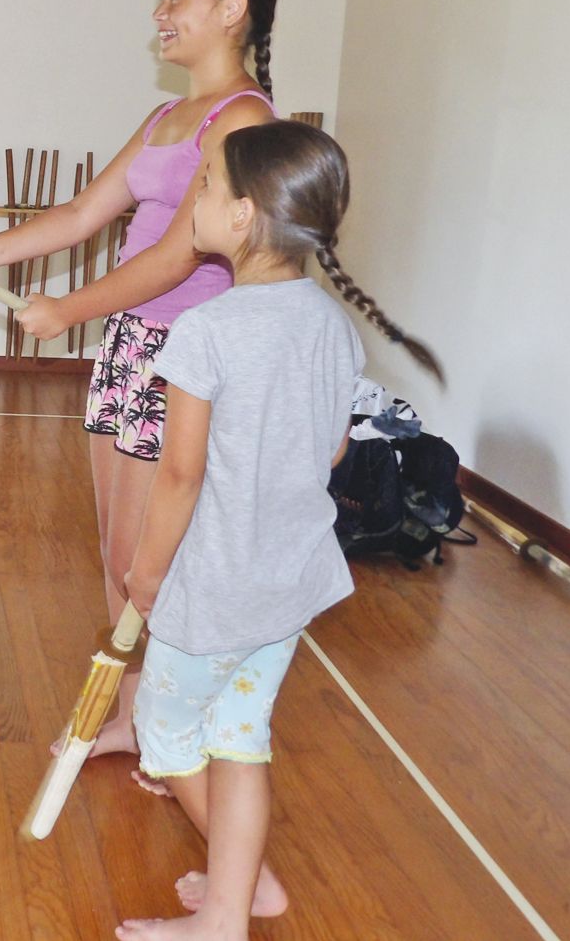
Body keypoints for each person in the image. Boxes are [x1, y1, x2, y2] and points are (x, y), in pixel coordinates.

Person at [0, 0, 279, 762]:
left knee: (159, 557)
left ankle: (176, 729)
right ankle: (131, 716)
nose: (159, 12)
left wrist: (68, 309)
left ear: (231, 10)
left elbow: (178, 253)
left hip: (185, 355)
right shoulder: (167, 114)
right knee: (118, 552)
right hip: (133, 346)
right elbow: (83, 215)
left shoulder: (243, 120)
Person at [115, 121, 441, 940]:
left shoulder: (206, 332)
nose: (193, 199)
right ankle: (237, 899)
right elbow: (332, 446)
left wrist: (146, 574)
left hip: (217, 585)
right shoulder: (329, 326)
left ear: (244, 215)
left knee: (168, 733)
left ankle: (241, 881)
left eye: (206, 186)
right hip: (291, 580)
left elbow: (180, 476)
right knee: (239, 733)